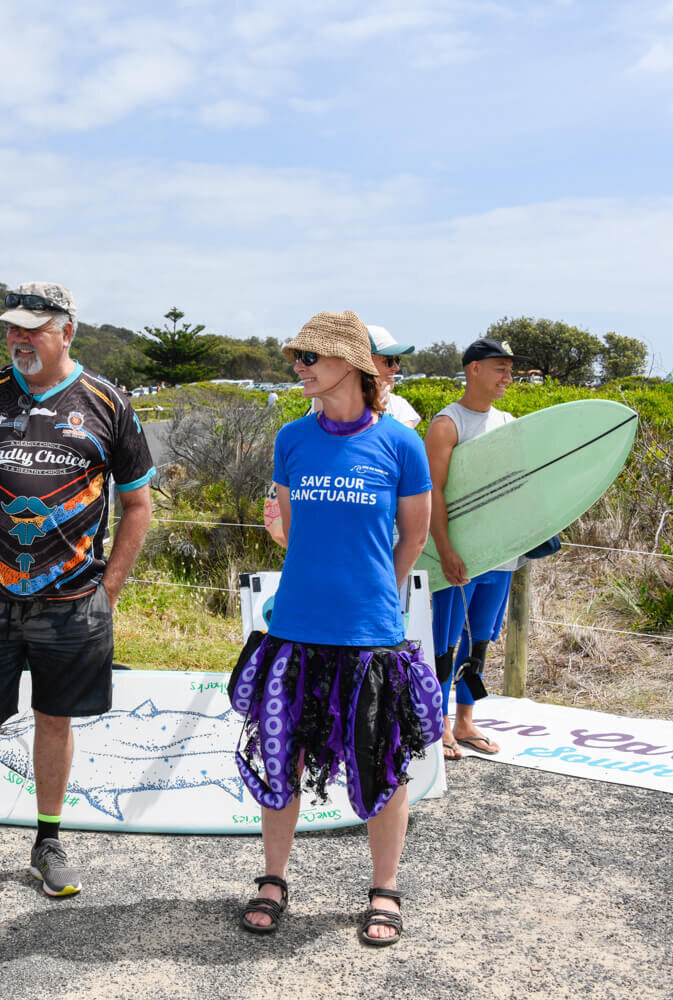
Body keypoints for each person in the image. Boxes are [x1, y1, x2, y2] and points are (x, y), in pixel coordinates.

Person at [0, 281, 154, 909]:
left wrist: (108, 590)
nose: (19, 339)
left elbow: (138, 506)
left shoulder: (108, 403)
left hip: (72, 604)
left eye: (33, 328)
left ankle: (48, 844)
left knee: (55, 722)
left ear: (67, 331)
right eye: (12, 329)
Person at [235, 309, 440, 946]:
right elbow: (289, 528)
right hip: (295, 625)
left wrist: (377, 588)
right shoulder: (292, 439)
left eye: (309, 358)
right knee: (281, 755)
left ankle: (384, 890)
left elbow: (415, 535)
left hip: (370, 632)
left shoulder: (401, 444)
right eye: (297, 357)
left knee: (383, 765)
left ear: (349, 365)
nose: (298, 368)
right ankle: (274, 880)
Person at [426, 337, 519, 760]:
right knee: (445, 640)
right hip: (458, 554)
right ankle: (439, 725)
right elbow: (433, 493)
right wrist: (445, 549)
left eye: (509, 369)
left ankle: (465, 721)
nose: (507, 376)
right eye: (499, 367)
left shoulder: (509, 422)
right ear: (474, 369)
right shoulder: (448, 425)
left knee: (479, 638)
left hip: (501, 553)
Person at [268, 323, 421, 544]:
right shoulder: (318, 408)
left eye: (398, 360)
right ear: (361, 360)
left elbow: (395, 459)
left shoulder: (400, 408)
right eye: (389, 360)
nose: (396, 367)